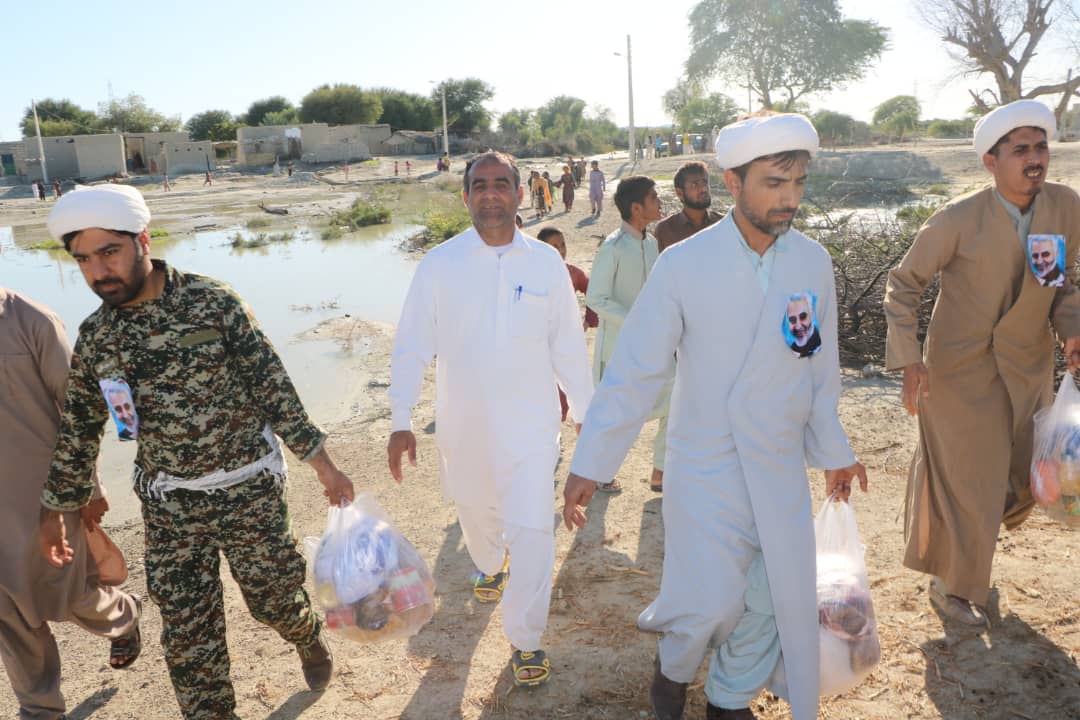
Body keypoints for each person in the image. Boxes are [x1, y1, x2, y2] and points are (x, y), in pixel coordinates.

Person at [563, 112, 867, 720]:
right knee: (709, 601)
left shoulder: (812, 263)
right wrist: (590, 463)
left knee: (770, 593)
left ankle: (727, 700)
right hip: (704, 465)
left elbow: (819, 369)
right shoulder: (684, 265)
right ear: (733, 182)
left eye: (798, 183)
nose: (789, 199)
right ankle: (673, 669)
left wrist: (833, 448)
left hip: (777, 463)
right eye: (774, 183)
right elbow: (635, 372)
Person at [37, 184, 357, 720]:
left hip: (249, 491)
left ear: (142, 240)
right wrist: (58, 510)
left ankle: (306, 636)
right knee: (188, 634)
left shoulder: (212, 303)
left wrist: (321, 462)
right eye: (83, 260)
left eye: (109, 252)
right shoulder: (97, 337)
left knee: (274, 600)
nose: (98, 272)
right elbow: (78, 428)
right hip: (169, 506)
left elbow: (271, 385)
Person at [387, 152, 593, 689]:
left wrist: (588, 420)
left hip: (531, 428)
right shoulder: (440, 264)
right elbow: (411, 344)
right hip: (464, 428)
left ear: (520, 194)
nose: (492, 194)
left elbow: (569, 348)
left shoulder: (546, 264)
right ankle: (488, 561)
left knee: (532, 531)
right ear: (466, 196)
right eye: (481, 186)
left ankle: (526, 639)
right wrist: (401, 417)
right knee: (477, 514)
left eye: (503, 184)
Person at [883, 99, 1080, 627]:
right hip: (958, 372)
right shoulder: (956, 219)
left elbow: (1061, 285)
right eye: (1021, 149)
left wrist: (1072, 331)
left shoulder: (1066, 208)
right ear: (990, 161)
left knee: (1016, 479)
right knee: (972, 482)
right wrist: (909, 361)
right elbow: (903, 288)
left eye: (1040, 146)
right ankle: (956, 588)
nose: (1035, 158)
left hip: (1026, 368)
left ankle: (965, 575)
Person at [0, 278, 142, 720]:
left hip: (44, 498)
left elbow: (79, 408)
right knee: (7, 612)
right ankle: (40, 708)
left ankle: (123, 614)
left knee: (66, 591)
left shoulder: (33, 322)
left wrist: (90, 489)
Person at [585, 175, 667, 493]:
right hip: (618, 349)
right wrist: (635, 320)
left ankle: (661, 470)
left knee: (675, 396)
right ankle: (598, 473)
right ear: (636, 207)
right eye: (653, 197)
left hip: (652, 347)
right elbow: (596, 298)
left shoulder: (651, 242)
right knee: (612, 417)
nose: (659, 202)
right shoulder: (612, 247)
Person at [537, 226, 600, 421]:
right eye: (554, 246)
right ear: (542, 248)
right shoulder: (532, 274)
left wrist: (588, 321)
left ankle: (558, 423)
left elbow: (593, 291)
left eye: (563, 244)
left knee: (565, 388)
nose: (561, 250)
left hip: (565, 340)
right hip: (537, 341)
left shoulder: (572, 273)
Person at [655, 161, 724, 254]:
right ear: (680, 193)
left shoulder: (722, 223)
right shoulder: (666, 230)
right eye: (694, 185)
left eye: (705, 182)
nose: (703, 189)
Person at [784, 293, 822, 357]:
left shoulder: (817, 343)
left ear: (812, 315)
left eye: (803, 316)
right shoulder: (792, 346)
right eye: (792, 320)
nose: (798, 326)